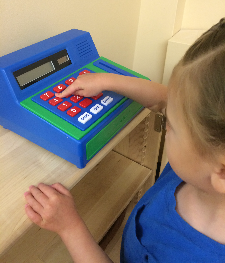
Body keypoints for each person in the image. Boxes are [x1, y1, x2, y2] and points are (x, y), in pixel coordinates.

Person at [24, 18, 225, 262]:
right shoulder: (202, 166)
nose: (166, 121)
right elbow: (164, 98)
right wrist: (108, 80)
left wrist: (70, 227)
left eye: (170, 124)